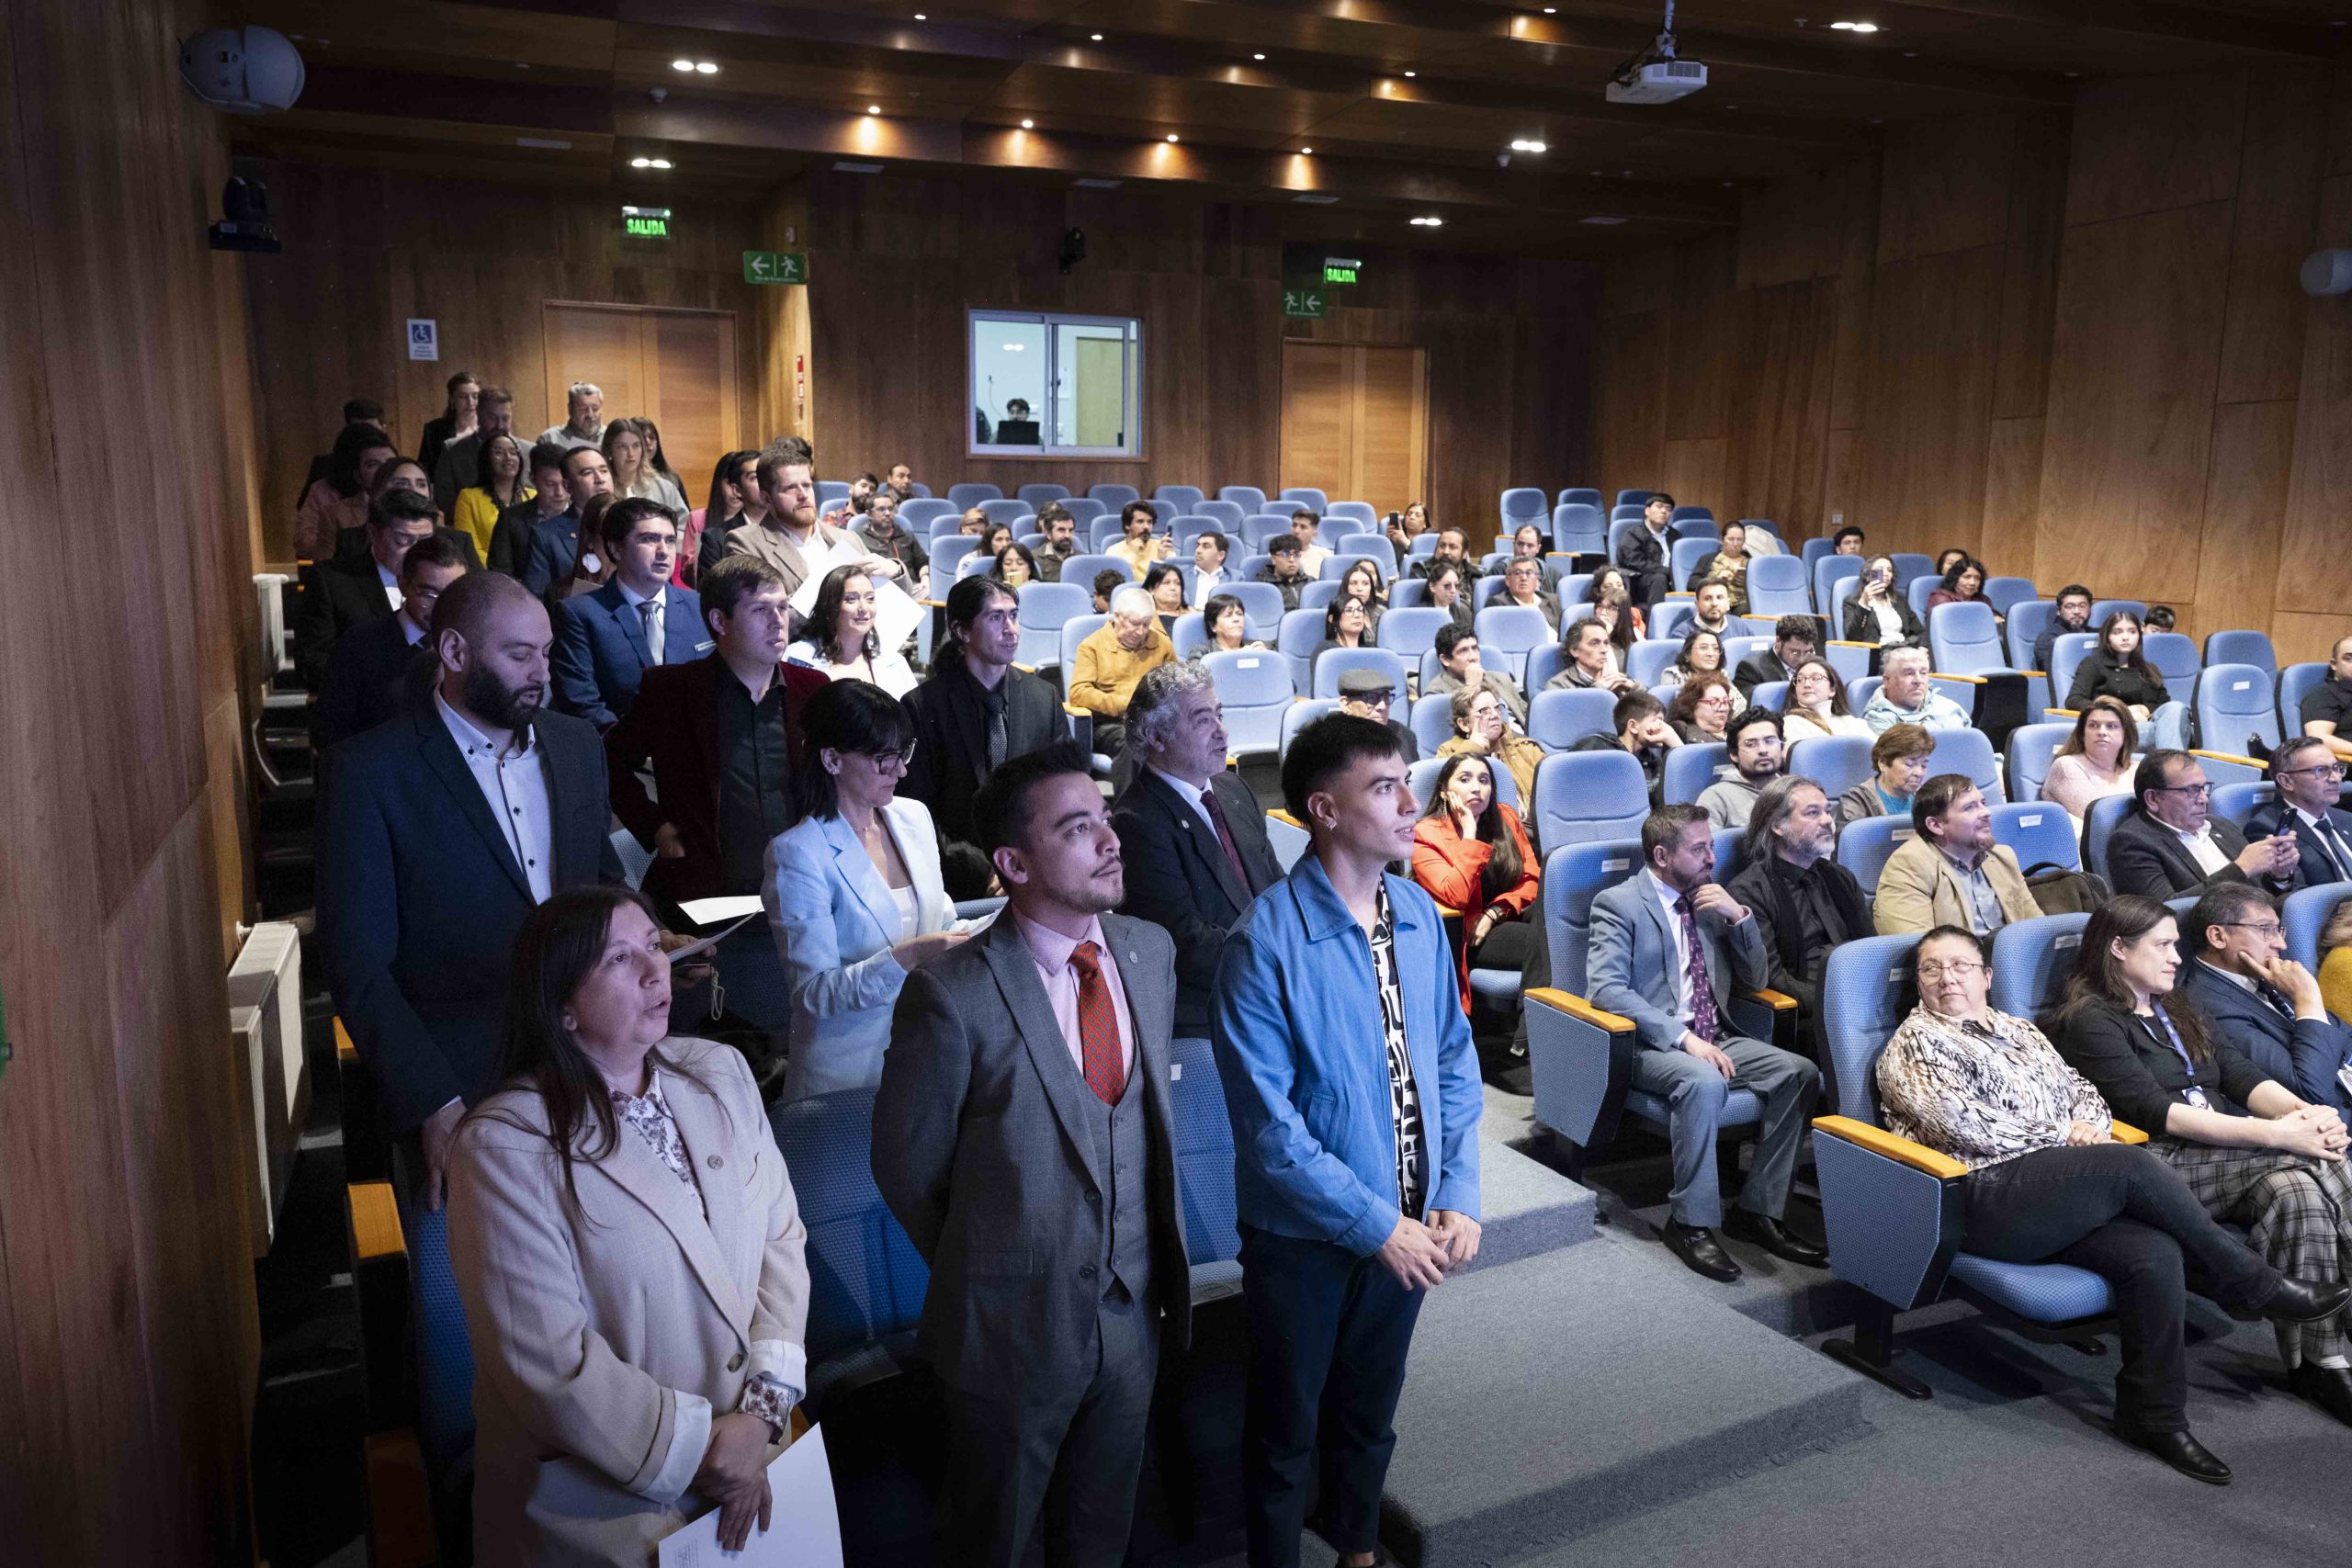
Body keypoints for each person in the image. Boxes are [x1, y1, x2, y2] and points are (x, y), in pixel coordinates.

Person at [875, 743, 1191, 1568]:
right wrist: (995, 1268)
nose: (1110, 839)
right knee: (997, 1544)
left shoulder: (1149, 951)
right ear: (1013, 862)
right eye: (1077, 827)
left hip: (1133, 1318)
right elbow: (908, 1169)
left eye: (1105, 818)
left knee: (1100, 1537)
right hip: (1006, 1334)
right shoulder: (952, 992)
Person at [1877, 925, 2344, 1482]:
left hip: (2059, 1190)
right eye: (1932, 969)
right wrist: (2064, 1133)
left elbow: (2087, 1096)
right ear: (1920, 983)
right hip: (1980, 1198)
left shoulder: (2019, 1030)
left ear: (1987, 977)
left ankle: (2153, 1415)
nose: (1947, 978)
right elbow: (1967, 1125)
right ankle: (2254, 1283)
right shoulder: (1912, 1044)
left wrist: (2088, 1129)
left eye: (1960, 966)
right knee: (2129, 1164)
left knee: (2152, 1252)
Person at [447, 886, 810, 1562]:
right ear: (561, 1007)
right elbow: (551, 1365)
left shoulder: (721, 1072)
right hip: (603, 1508)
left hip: (754, 1457)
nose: (654, 970)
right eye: (619, 958)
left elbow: (781, 1242)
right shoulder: (503, 1145)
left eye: (653, 944)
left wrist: (761, 1418)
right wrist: (711, 1452)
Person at [1209, 714, 1483, 1568]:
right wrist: (1377, 1227)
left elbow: (1451, 1058)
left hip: (1411, 1220)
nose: (1411, 803)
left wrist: (1457, 1191)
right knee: (1288, 1425)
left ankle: (1359, 1551)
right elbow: (1271, 1133)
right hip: (1310, 1238)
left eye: (1408, 780)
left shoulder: (1414, 908)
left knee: (1371, 1412)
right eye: (1384, 787)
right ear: (1324, 810)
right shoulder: (1263, 941)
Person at [320, 570, 626, 1216]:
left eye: (544, 652)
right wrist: (433, 1102)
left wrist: (646, 944)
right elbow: (359, 967)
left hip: (588, 1061)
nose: (539, 672)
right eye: (518, 655)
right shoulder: (371, 771)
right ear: (454, 653)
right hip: (463, 1079)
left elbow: (602, 885)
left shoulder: (575, 746)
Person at [2054, 897, 2352, 1427]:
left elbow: (2240, 1077)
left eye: (2175, 943)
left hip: (2225, 1150)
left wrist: (2311, 1117)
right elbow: (2157, 1112)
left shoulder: (2180, 1005)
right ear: (2119, 949)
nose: (2176, 956)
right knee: (2310, 1161)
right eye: (2163, 945)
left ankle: (2319, 1361)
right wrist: (2279, 1135)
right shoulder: (2090, 1020)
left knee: (2298, 1188)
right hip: (2154, 1163)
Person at [1588, 805, 1826, 1281]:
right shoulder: (1618, 904)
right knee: (1702, 1082)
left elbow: (1756, 978)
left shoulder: (1710, 901)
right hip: (1649, 1044)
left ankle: (1758, 1209)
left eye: (1712, 846)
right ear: (1661, 855)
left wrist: (1739, 918)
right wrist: (1681, 1039)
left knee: (1801, 1074)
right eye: (1699, 849)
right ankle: (1689, 1223)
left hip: (1718, 1034)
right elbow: (1607, 989)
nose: (1712, 858)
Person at [765, 681, 970, 1101]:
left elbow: (943, 922)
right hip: (848, 1075)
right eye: (884, 759)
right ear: (832, 759)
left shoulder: (913, 818)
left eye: (904, 753)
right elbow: (813, 995)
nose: (902, 771)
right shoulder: (799, 853)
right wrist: (907, 958)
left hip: (928, 1052)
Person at [605, 557, 827, 905]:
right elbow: (608, 759)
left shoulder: (812, 688)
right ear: (719, 620)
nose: (778, 622)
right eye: (760, 610)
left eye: (782, 608)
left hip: (804, 889)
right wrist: (655, 826)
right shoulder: (672, 691)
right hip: (710, 894)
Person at [1111, 664, 1284, 1035]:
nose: (1222, 731)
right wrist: (1279, 962)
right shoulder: (1136, 821)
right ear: (1157, 736)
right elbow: (1185, 941)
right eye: (1203, 720)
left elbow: (1274, 885)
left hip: (1271, 986)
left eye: (1219, 715)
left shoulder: (1234, 790)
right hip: (1211, 1010)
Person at [900, 575, 1059, 851]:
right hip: (957, 868)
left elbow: (1061, 790)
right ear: (962, 632)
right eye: (996, 618)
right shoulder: (923, 705)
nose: (1011, 630)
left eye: (1013, 616)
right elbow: (915, 807)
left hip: (1034, 860)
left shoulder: (1044, 697)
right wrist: (976, 867)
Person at [2177, 883, 2352, 1116]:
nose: (2281, 944)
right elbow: (2308, 1090)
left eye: (2279, 931)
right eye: (2265, 929)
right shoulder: (2207, 1006)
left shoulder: (2265, 974)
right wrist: (2307, 1001)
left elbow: (2346, 1034)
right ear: (2218, 936)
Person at [1725, 776, 1869, 1039]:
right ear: (1778, 825)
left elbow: (1868, 946)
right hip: (1807, 1014)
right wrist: (1835, 1005)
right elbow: (1772, 977)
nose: (1827, 820)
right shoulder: (1750, 891)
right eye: (1812, 813)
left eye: (1827, 811)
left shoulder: (1840, 876)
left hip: (1861, 999)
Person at [1412, 753, 1546, 1034]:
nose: (1476, 787)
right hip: (1469, 935)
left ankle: (1532, 1028)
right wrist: (1469, 832)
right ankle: (1537, 1030)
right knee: (1555, 940)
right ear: (1444, 791)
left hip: (1504, 917)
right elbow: (1457, 894)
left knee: (1556, 913)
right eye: (1465, 779)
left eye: (1484, 780)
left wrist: (1495, 912)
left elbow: (1532, 878)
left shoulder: (1506, 818)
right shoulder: (1425, 834)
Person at [550, 498, 702, 730]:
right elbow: (581, 703)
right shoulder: (579, 614)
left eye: (670, 541)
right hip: (622, 757)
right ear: (616, 548)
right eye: (649, 539)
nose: (664, 551)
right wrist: (640, 749)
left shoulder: (700, 606)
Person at [316, 532, 468, 755]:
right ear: (403, 584)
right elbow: (333, 733)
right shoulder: (360, 645)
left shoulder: (472, 645)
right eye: (429, 594)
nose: (442, 607)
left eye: (453, 594)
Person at [2108, 750, 2299, 899]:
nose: (2204, 798)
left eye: (2204, 788)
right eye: (2191, 790)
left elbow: (2262, 894)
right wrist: (2241, 869)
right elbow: (2164, 910)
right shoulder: (2132, 842)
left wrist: (2279, 876)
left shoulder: (2221, 826)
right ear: (2153, 798)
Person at [299, 488, 437, 691]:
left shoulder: (446, 581)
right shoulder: (331, 581)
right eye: (403, 540)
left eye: (425, 540)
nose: (417, 551)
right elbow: (312, 663)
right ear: (373, 533)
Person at [1873, 773, 2041, 936]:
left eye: (1983, 803)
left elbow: (2036, 926)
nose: (1986, 812)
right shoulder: (1908, 865)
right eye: (1970, 807)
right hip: (1957, 962)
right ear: (1936, 825)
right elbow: (1920, 949)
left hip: (2012, 958)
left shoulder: (2002, 857)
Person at [711, 445, 874, 604]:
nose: (803, 495)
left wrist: (896, 570)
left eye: (807, 485)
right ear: (767, 498)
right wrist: (836, 598)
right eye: (790, 488)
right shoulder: (745, 543)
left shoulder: (849, 539)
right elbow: (762, 612)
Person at [1069, 585, 1176, 757]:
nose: (1141, 631)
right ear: (1117, 617)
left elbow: (1176, 686)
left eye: (1146, 624)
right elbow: (1079, 693)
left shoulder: (1162, 644)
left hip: (1155, 721)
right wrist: (1126, 705)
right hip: (1111, 724)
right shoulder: (1092, 646)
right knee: (1137, 743)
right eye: (1134, 624)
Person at [785, 564, 917, 697]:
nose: (863, 608)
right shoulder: (797, 658)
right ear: (830, 605)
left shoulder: (894, 662)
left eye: (870, 598)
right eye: (851, 599)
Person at [2249, 735, 2352, 887]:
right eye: (2321, 770)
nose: (2336, 778)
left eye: (2337, 768)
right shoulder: (2268, 829)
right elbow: (2294, 897)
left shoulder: (2346, 818)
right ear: (2286, 781)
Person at [296, 423, 400, 560]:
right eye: (372, 464)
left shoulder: (418, 503)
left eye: (390, 462)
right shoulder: (333, 508)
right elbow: (306, 542)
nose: (384, 470)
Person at [522, 445, 615, 597]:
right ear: (567, 486)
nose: (599, 479)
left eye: (604, 470)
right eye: (587, 473)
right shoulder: (546, 536)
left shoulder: (635, 523)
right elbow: (537, 597)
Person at [2041, 696, 2138, 831]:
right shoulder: (2066, 766)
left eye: (2111, 726)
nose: (2101, 732)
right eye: (2093, 725)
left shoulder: (2136, 769)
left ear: (2126, 734)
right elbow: (2101, 821)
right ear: (2082, 734)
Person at [1569, 689, 1681, 804]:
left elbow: (1664, 805)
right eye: (1657, 720)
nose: (1663, 728)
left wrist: (1675, 742)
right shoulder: (1597, 747)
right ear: (1633, 726)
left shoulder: (1653, 764)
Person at [1438, 685, 1544, 805]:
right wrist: (1472, 749)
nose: (1495, 715)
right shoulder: (1447, 753)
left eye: (1497, 708)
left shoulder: (1527, 748)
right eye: (1484, 711)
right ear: (1464, 724)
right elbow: (1444, 798)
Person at [488, 442, 573, 580]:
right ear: (533, 479)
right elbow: (501, 575)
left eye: (565, 484)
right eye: (550, 484)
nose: (560, 493)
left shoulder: (583, 516)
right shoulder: (511, 520)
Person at [2069, 610, 2167, 721]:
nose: (2125, 637)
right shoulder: (2093, 664)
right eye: (2117, 632)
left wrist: (2143, 709)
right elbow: (2074, 700)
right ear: (2107, 637)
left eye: (2132, 632)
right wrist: (2119, 712)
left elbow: (2164, 705)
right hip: (2110, 724)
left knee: (2175, 708)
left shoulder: (2149, 668)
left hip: (2149, 724)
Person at [1697, 707, 1785, 829]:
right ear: (1734, 754)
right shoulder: (1716, 798)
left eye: (1770, 741)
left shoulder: (1796, 791)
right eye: (1751, 744)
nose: (1763, 750)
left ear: (1782, 747)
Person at [451, 432, 531, 567]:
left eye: (513, 452)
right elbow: (471, 549)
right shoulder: (468, 497)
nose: (508, 458)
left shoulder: (534, 496)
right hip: (489, 575)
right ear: (486, 459)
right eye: (499, 453)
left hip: (532, 574)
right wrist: (500, 571)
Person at [1836, 721, 1934, 829]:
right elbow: (1852, 843)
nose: (1919, 773)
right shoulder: (1857, 801)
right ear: (1883, 763)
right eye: (1909, 764)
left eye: (1924, 765)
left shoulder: (1927, 800)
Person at [1428, 624, 1529, 728]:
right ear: (1445, 659)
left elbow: (1527, 715)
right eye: (1463, 651)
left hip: (1523, 741)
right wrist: (1472, 686)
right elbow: (1461, 730)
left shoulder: (1501, 678)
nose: (1473, 657)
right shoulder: (1436, 693)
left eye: (1475, 648)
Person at [431, 386, 514, 511]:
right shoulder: (453, 451)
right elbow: (444, 501)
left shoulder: (526, 451)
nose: (500, 425)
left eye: (505, 418)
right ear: (478, 414)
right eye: (492, 418)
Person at [1862, 645, 1970, 733]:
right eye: (1909, 673)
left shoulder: (1948, 707)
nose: (1918, 680)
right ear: (1887, 680)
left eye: (1923, 673)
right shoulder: (1879, 720)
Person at [1844, 555, 1924, 666]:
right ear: (1867, 574)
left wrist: (1922, 647)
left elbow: (1919, 630)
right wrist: (1863, 604)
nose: (1886, 573)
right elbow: (1853, 637)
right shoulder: (1853, 602)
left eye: (1889, 570)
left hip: (1904, 651)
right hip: (1878, 656)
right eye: (1880, 570)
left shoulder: (1899, 600)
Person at [602, 417, 689, 514]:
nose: (631, 454)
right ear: (609, 451)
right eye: (622, 447)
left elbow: (684, 523)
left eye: (636, 446)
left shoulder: (664, 488)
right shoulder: (602, 488)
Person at [1780, 658, 1871, 741]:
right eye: (1800, 680)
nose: (1806, 684)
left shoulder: (1853, 722)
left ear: (1832, 689)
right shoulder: (1791, 722)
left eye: (1815, 678)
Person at [1337, 666, 1416, 761]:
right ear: (1346, 704)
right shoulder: (1329, 741)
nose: (1382, 706)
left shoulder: (1403, 735)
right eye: (1372, 698)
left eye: (1386, 697)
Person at [854, 488, 928, 589]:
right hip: (875, 588)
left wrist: (925, 578)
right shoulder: (859, 537)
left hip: (910, 588)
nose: (888, 513)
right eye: (881, 509)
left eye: (891, 509)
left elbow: (922, 561)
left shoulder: (906, 536)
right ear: (869, 514)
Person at [1614, 493, 1679, 607]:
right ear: (1647, 511)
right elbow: (1635, 562)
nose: (1664, 511)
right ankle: (1655, 620)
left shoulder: (1675, 536)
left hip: (1672, 579)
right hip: (1641, 579)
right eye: (1659, 507)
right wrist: (1668, 572)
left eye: (1668, 509)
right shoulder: (1633, 534)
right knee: (1659, 579)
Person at [1549, 615, 1636, 694]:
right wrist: (1598, 689)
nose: (1604, 650)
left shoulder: (1616, 679)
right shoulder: (1558, 686)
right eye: (1594, 643)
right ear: (1574, 650)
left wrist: (1634, 688)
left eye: (1606, 643)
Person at [2300, 635, 2352, 765]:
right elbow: (2318, 737)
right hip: (2341, 768)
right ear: (2334, 664)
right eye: (2349, 659)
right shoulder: (2326, 695)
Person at [1736, 615, 1815, 701]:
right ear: (1778, 642)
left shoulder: (1816, 665)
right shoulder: (1751, 669)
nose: (1801, 659)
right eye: (1795, 652)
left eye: (1807, 652)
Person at [415, 370, 478, 478]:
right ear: (452, 399)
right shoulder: (434, 430)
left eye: (475, 396)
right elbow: (426, 470)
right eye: (463, 397)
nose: (470, 402)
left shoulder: (490, 427)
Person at [1689, 520, 1751, 615]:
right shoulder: (1707, 559)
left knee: (1746, 610)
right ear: (1722, 540)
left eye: (1739, 540)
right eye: (1731, 539)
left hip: (1743, 603)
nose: (1735, 544)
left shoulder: (1752, 562)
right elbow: (1692, 584)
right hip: (1716, 601)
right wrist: (1716, 579)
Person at [2034, 584, 2095, 675]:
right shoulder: (2048, 638)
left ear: (2089, 609)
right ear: (2059, 611)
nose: (2076, 611)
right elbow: (2057, 670)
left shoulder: (2099, 635)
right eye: (2070, 606)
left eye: (2082, 606)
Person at [1667, 670, 1737, 746]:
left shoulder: (1740, 732)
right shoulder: (1682, 733)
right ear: (1693, 704)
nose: (1723, 708)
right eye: (1714, 701)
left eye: (1726, 701)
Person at [1311, 593, 1374, 678]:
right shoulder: (1326, 652)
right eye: (1349, 610)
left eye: (1360, 610)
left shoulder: (1371, 651)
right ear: (1332, 619)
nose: (1357, 615)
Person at [1926, 555, 2000, 627]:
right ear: (1955, 579)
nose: (1972, 583)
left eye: (1977, 578)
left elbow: (1997, 619)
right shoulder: (1940, 597)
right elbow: (1950, 623)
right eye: (1967, 577)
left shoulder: (1983, 599)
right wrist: (1988, 621)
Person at [1491, 554, 1558, 633]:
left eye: (1529, 573)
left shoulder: (1552, 600)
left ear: (1537, 580)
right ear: (1508, 580)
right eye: (1518, 573)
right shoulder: (1498, 604)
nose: (1524, 578)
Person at [1107, 501, 1170, 580]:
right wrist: (1133, 554)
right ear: (1127, 525)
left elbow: (1170, 582)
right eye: (1140, 522)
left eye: (1149, 522)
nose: (1146, 527)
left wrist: (1161, 560)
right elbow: (1117, 583)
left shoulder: (1163, 548)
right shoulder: (1114, 551)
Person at [537, 379, 605, 449]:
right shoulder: (550, 439)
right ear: (570, 409)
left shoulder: (611, 437)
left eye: (595, 409)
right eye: (583, 409)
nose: (590, 415)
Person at [1254, 534, 1312, 612]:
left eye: (1296, 555)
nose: (1292, 560)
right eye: (1285, 554)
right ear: (1273, 559)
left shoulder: (1311, 583)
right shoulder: (1262, 586)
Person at [1195, 591, 1265, 655]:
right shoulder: (1202, 652)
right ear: (1213, 626)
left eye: (1239, 614)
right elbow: (1194, 668)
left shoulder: (1256, 647)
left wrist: (1266, 657)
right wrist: (1238, 656)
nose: (1236, 619)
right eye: (1228, 615)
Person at [1661, 627, 1728, 694]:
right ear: (1687, 654)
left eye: (1716, 648)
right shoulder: (1673, 675)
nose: (1711, 654)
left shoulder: (1722, 674)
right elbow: (1676, 703)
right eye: (1703, 647)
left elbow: (1737, 702)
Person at [1410, 525, 1481, 585]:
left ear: (1464, 554)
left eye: (1452, 547)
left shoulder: (1476, 575)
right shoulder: (1421, 570)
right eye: (1442, 546)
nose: (1446, 552)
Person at [1423, 559, 1474, 639]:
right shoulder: (1420, 613)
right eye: (1447, 586)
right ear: (1432, 587)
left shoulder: (1464, 613)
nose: (1453, 590)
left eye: (1456, 586)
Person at [1289, 505, 1331, 579]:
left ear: (1314, 534)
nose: (1296, 531)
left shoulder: (1325, 555)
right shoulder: (1279, 554)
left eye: (1303, 527)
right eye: (1294, 525)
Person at [1142, 559, 1188, 628]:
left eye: (1178, 584)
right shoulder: (1143, 619)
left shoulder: (1192, 616)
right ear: (1152, 589)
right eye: (1166, 583)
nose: (1173, 588)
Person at [1190, 528, 1231, 597]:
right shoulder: (1182, 575)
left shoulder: (1235, 578)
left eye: (1206, 546)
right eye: (1197, 546)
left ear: (1220, 555)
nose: (1198, 550)